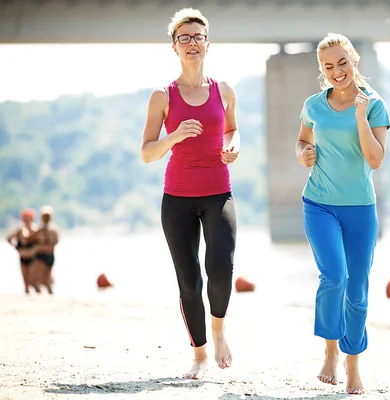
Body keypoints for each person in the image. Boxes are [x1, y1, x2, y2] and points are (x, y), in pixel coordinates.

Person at [140, 7, 240, 380]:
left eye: (198, 36)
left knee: (221, 267)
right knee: (189, 279)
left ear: (208, 43)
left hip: (219, 192)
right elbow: (147, 152)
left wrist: (235, 146)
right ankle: (199, 354)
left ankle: (218, 329)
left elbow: (232, 130)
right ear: (174, 47)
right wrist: (174, 136)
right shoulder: (162, 96)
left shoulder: (224, 90)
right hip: (178, 197)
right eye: (184, 38)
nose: (192, 43)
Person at [295, 33, 390, 395]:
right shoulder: (313, 105)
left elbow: (376, 159)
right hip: (318, 204)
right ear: (322, 70)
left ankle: (353, 366)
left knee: (358, 290)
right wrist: (302, 152)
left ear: (354, 61)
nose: (337, 71)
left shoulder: (375, 105)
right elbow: (303, 139)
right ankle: (330, 352)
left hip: (360, 210)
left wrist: (361, 115)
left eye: (342, 63)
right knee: (334, 276)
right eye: (328, 66)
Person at [6, 208, 39, 294]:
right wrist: (16, 248)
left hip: (33, 258)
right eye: (25, 219)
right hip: (22, 257)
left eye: (28, 218)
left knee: (34, 281)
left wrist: (34, 250)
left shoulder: (35, 230)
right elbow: (8, 238)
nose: (26, 221)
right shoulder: (19, 230)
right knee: (26, 282)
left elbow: (40, 243)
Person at [28, 205, 60, 295]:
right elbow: (55, 243)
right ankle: (49, 295)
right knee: (46, 280)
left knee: (34, 281)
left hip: (42, 256)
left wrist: (38, 247)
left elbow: (29, 239)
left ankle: (39, 295)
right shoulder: (54, 230)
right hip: (50, 256)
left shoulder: (41, 229)